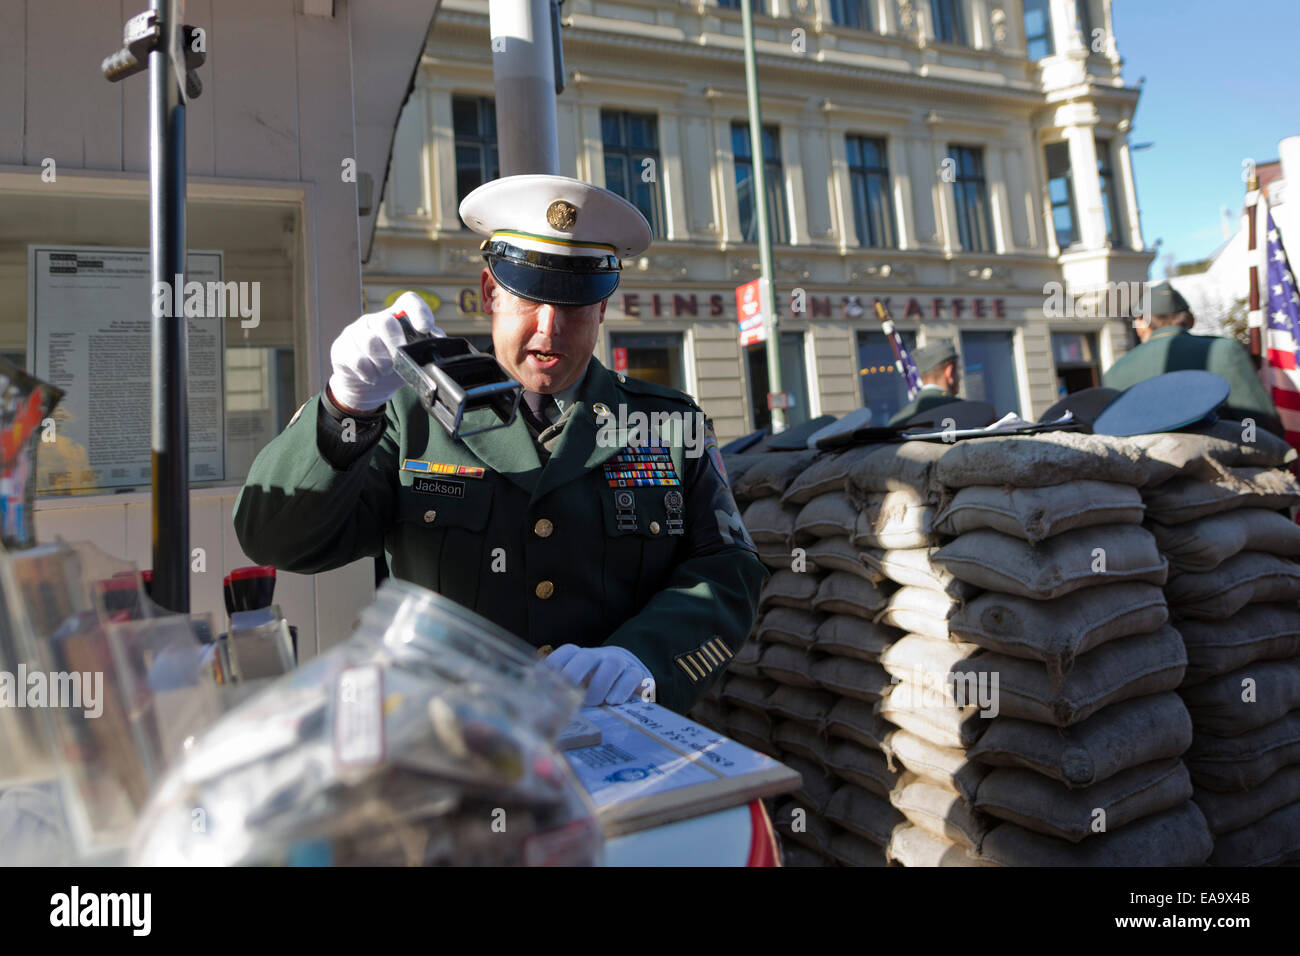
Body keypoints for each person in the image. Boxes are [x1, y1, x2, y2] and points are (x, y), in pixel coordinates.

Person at [234, 174, 766, 714]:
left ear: (603, 308)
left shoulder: (666, 423)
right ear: (491, 292)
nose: (550, 328)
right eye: (530, 298)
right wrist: (344, 406)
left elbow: (729, 572)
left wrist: (643, 661)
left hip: (620, 734)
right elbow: (273, 538)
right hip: (451, 746)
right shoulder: (408, 416)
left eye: (576, 303)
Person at [1103, 282, 1284, 436]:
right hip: (1223, 467)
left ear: (1142, 324)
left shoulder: (1115, 372)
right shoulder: (1223, 350)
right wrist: (1252, 452)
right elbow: (1254, 418)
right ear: (1191, 321)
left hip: (1149, 472)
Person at [888, 340, 960, 426]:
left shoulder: (897, 421)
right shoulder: (967, 411)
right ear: (950, 372)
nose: (960, 376)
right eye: (959, 370)